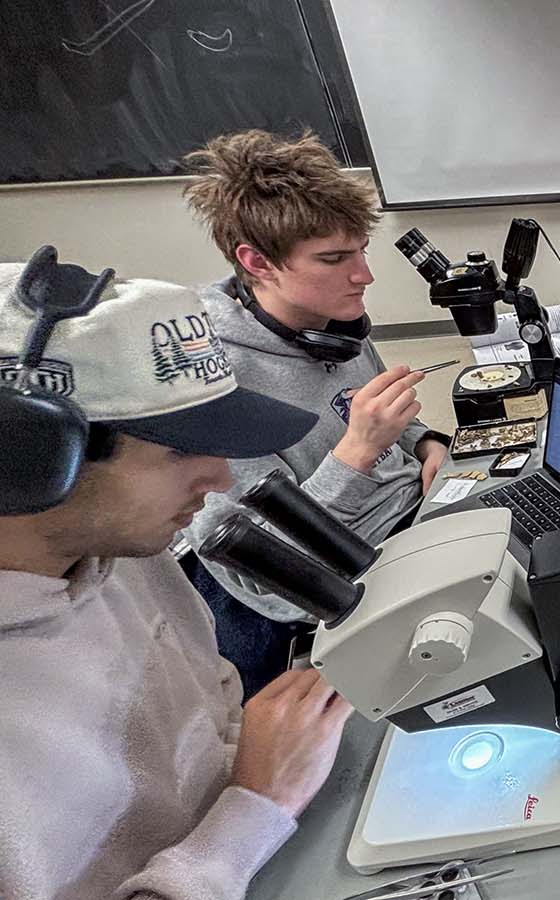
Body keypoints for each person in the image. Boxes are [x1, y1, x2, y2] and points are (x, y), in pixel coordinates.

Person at [0, 250, 353, 900]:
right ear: (27, 461)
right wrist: (253, 807)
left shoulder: (125, 554)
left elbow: (215, 704)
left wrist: (281, 756)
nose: (220, 479)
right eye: (180, 450)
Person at [178, 129, 449, 694]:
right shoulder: (206, 378)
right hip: (324, 580)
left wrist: (425, 444)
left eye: (361, 251)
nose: (364, 276)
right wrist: (357, 452)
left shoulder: (333, 326)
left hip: (407, 518)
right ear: (258, 262)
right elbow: (260, 556)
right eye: (334, 258)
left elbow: (384, 416)